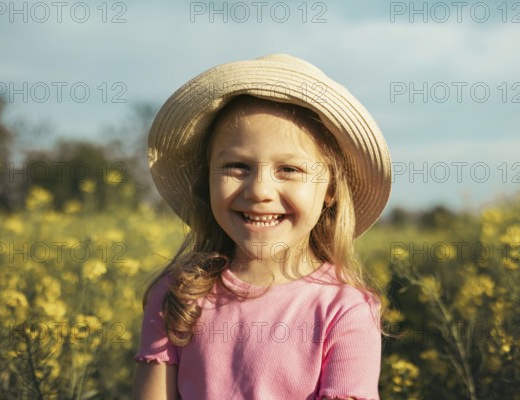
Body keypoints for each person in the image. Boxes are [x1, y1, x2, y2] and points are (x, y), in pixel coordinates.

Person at [132, 54, 392, 400]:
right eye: (237, 166)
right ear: (206, 179)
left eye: (289, 170)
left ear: (329, 191)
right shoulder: (178, 297)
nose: (259, 191)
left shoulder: (344, 311)